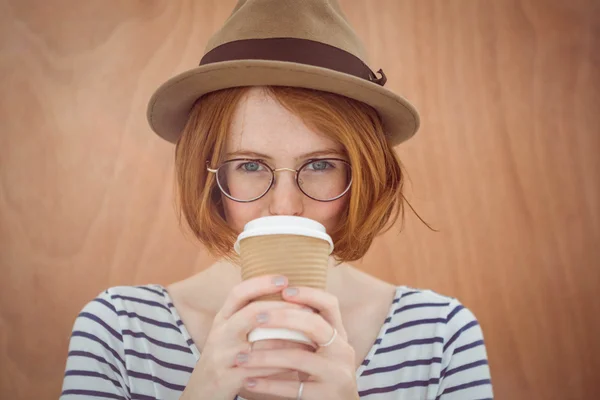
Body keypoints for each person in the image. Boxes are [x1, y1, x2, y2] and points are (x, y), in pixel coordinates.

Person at [60, 1, 493, 399]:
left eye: (320, 165)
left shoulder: (439, 335)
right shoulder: (119, 330)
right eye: (250, 165)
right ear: (212, 176)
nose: (285, 206)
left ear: (360, 175)